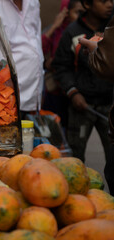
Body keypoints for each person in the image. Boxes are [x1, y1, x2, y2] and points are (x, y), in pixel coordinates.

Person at [52, 0, 113, 174]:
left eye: (111, 0)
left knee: (112, 159)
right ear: (87, 4)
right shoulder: (72, 32)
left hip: (108, 106)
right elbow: (61, 67)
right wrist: (72, 92)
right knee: (75, 160)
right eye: (103, 1)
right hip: (81, 105)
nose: (109, 4)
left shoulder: (111, 31)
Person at [79, 16, 114, 194]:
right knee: (77, 149)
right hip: (84, 101)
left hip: (105, 101)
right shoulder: (73, 28)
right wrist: (72, 91)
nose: (108, 4)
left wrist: (96, 52)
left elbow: (108, 64)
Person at [41, 0, 85, 130]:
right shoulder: (56, 31)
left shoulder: (84, 33)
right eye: (78, 12)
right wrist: (55, 25)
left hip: (76, 93)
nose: (81, 17)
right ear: (66, 13)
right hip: (55, 91)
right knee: (53, 130)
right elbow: (39, 50)